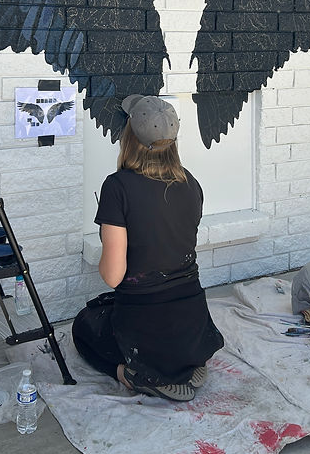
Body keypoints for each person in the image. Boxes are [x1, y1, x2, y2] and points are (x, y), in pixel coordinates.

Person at [71, 94, 224, 402]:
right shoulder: (191, 183)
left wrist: (107, 234)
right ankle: (187, 362)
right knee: (110, 308)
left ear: (129, 136)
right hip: (191, 319)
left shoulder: (117, 187)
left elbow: (113, 277)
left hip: (145, 322)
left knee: (83, 327)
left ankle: (133, 375)